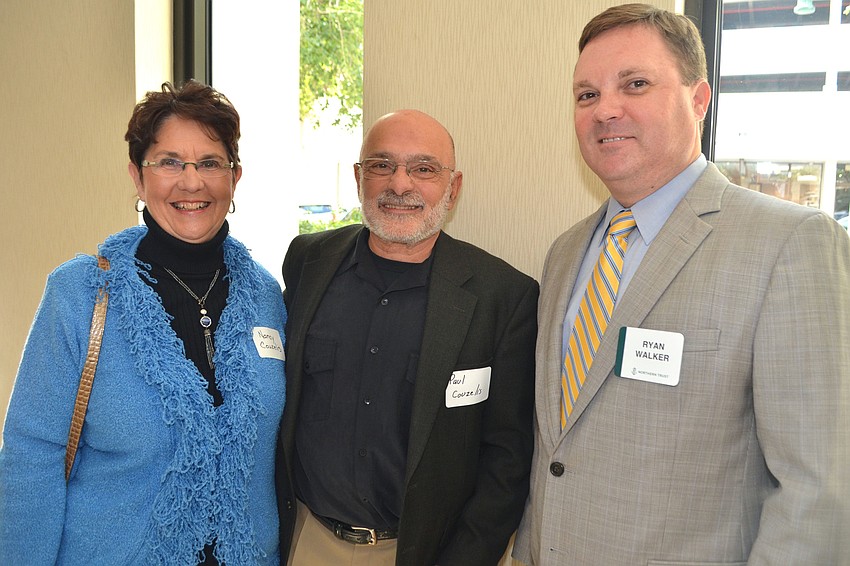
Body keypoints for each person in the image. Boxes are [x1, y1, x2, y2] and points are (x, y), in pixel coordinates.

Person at [513, 4, 850, 565]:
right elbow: (553, 453)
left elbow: (818, 493)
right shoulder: (565, 252)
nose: (605, 110)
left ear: (698, 100)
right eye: (587, 95)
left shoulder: (790, 244)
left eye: (635, 84)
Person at [0, 80, 286, 565]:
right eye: (169, 162)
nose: (191, 183)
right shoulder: (82, 293)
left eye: (210, 163)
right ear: (137, 176)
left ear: (235, 177)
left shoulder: (265, 295)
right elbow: (32, 455)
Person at [276, 109, 538, 565]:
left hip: (423, 552)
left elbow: (507, 460)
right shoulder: (308, 262)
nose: (399, 185)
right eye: (382, 165)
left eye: (423, 169)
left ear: (453, 187)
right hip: (307, 538)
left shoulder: (503, 296)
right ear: (359, 178)